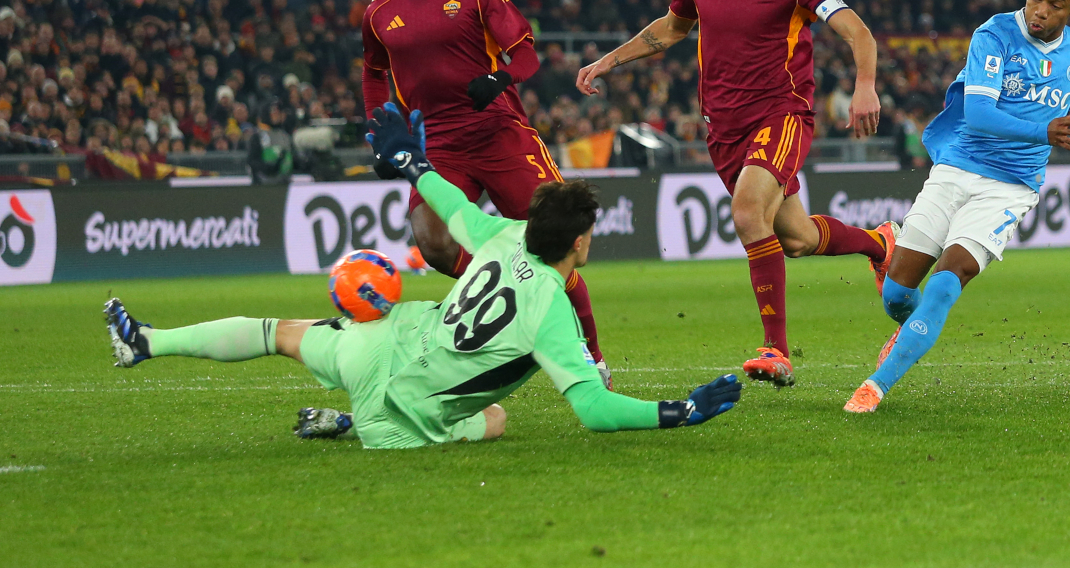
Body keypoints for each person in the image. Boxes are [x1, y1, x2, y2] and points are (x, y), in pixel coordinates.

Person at [104, 104, 741, 449]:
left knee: (278, 330)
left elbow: (455, 205)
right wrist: (679, 410)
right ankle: (357, 424)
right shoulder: (553, 308)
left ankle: (146, 342)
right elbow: (595, 411)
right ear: (580, 243)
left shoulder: (503, 232)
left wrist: (413, 162)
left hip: (378, 342)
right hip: (404, 413)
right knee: (492, 420)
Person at [576, 0, 891, 387]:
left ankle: (777, 349)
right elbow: (671, 29)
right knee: (794, 236)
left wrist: (864, 85)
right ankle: (879, 245)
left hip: (782, 112)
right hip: (722, 128)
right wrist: (612, 60)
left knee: (747, 214)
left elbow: (856, 30)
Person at [845, 0, 1070, 413]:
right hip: (958, 168)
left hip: (1011, 186)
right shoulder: (994, 34)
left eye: (1055, 4)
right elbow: (980, 114)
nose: (1041, 10)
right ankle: (903, 314)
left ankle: (874, 387)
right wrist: (1044, 129)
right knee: (898, 294)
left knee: (947, 281)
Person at [361, 0, 608, 382]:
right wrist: (381, 135)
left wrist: (501, 80)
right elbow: (373, 74)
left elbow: (528, 54)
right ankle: (514, 288)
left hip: (498, 132)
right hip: (436, 146)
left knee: (554, 234)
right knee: (432, 242)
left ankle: (591, 356)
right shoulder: (378, 12)